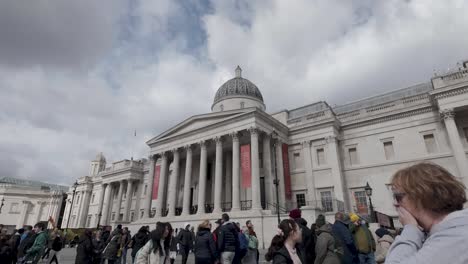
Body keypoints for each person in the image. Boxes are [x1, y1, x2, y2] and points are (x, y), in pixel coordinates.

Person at [386, 162, 468, 263]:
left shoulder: (455, 237)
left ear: (423, 196)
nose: (395, 204)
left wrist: (410, 230)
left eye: (398, 197)